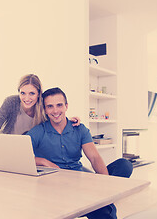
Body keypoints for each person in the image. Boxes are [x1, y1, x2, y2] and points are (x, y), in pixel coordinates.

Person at [27, 87, 133, 219]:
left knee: (124, 164)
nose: (55, 111)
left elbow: (94, 158)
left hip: (81, 181)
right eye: (50, 106)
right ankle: (100, 201)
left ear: (66, 106)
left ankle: (100, 198)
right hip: (56, 186)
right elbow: (20, 156)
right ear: (45, 109)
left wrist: (105, 184)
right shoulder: (38, 131)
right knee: (103, 211)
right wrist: (43, 161)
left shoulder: (79, 129)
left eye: (59, 105)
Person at [0, 74, 80, 166]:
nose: (26, 98)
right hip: (3, 151)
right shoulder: (11, 102)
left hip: (25, 156)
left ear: (39, 94)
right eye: (22, 93)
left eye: (32, 93)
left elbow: (55, 115)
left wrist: (69, 120)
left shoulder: (43, 108)